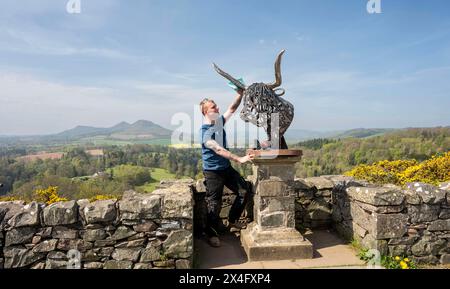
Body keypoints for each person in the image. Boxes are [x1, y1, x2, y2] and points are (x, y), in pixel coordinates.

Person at [199, 89, 255, 247]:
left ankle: (232, 220)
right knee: (214, 204)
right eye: (213, 108)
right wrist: (240, 159)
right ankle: (212, 234)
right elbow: (218, 150)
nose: (217, 108)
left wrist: (240, 93)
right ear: (205, 113)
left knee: (243, 191)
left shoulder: (219, 123)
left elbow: (232, 108)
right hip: (212, 172)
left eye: (216, 106)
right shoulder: (205, 133)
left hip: (226, 168)